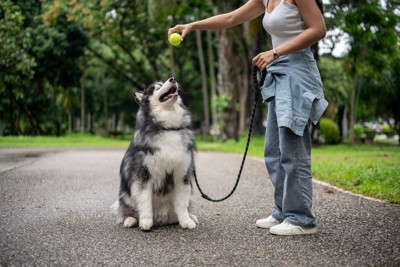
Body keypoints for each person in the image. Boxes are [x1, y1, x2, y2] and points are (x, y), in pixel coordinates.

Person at [168, 0, 328, 236]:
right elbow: (232, 18)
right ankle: (283, 211)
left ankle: (302, 218)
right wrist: (192, 25)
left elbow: (318, 30)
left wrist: (275, 52)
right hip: (278, 70)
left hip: (297, 71)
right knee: (273, 152)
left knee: (293, 151)